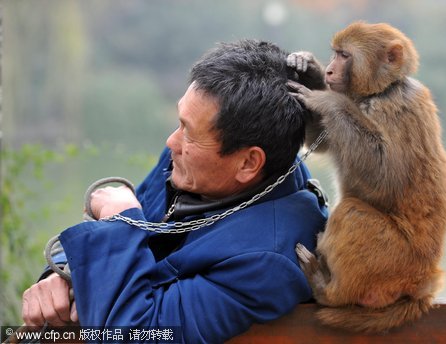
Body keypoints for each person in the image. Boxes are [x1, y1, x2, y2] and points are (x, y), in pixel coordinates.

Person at [22, 39, 328, 343]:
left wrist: (120, 219)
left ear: (248, 162)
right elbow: (115, 242)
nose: (172, 142)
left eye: (189, 133)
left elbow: (141, 334)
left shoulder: (268, 262)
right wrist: (62, 275)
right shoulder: (190, 166)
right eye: (180, 122)